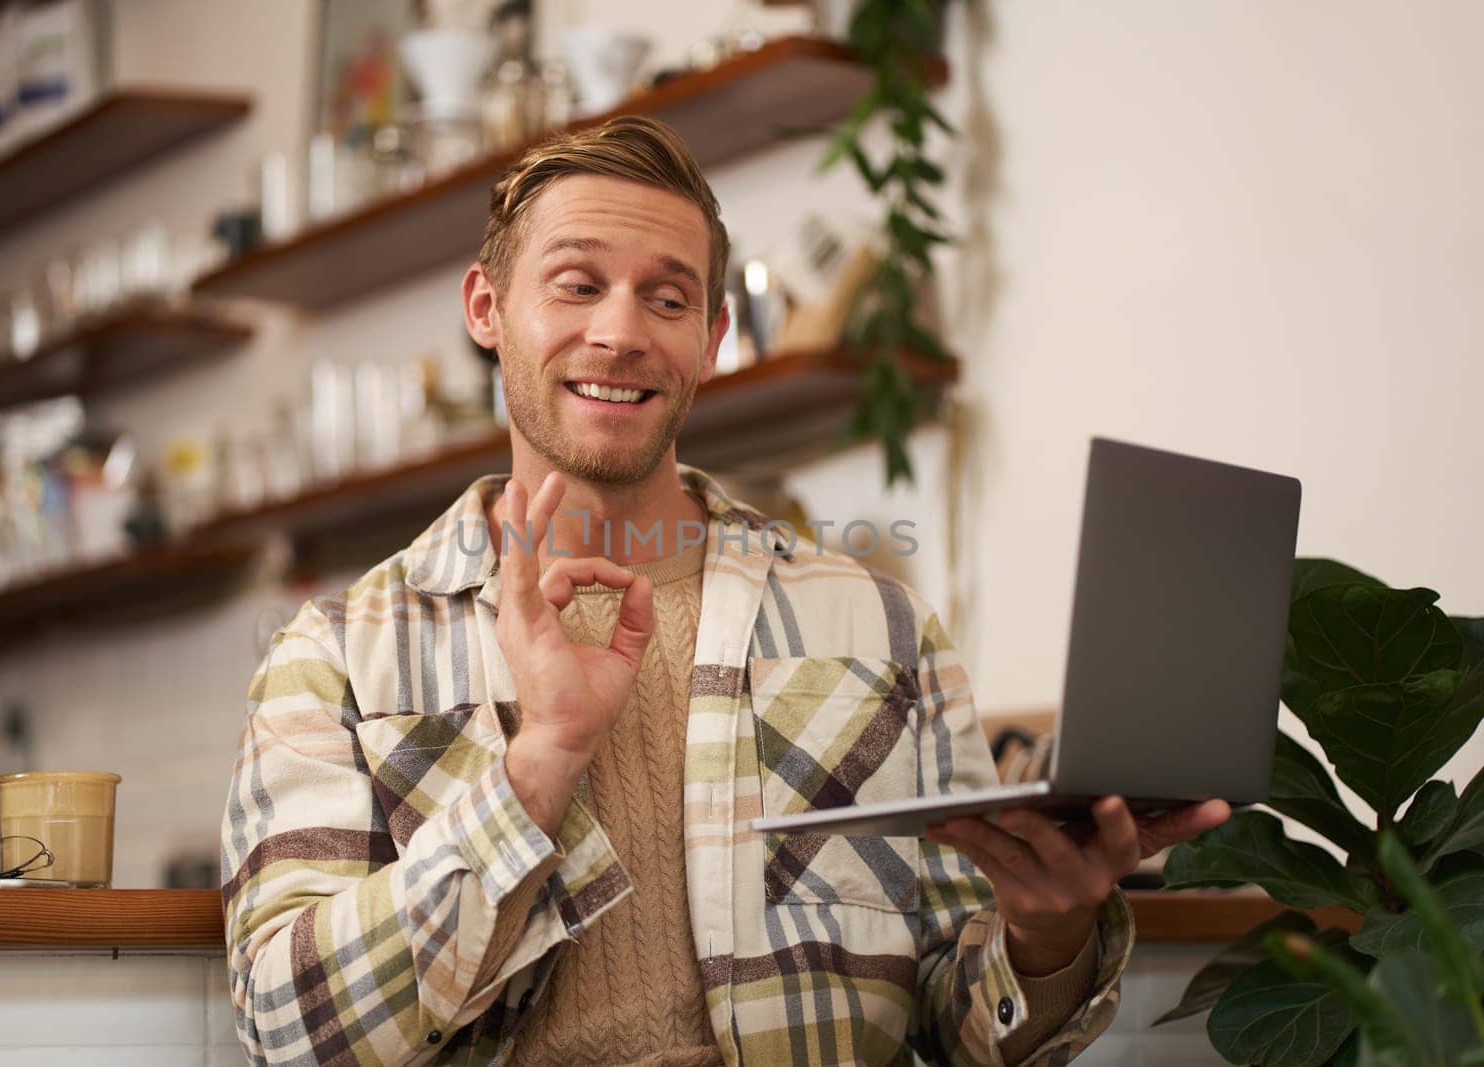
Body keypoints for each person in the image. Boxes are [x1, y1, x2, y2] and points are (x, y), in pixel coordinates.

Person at [218, 114, 1229, 1066]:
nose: (620, 334)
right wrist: (539, 765)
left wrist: (1045, 934)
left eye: (666, 299)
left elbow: (955, 1024)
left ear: (710, 337)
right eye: (575, 285)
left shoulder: (877, 626)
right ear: (487, 309)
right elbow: (287, 1028)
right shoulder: (336, 652)